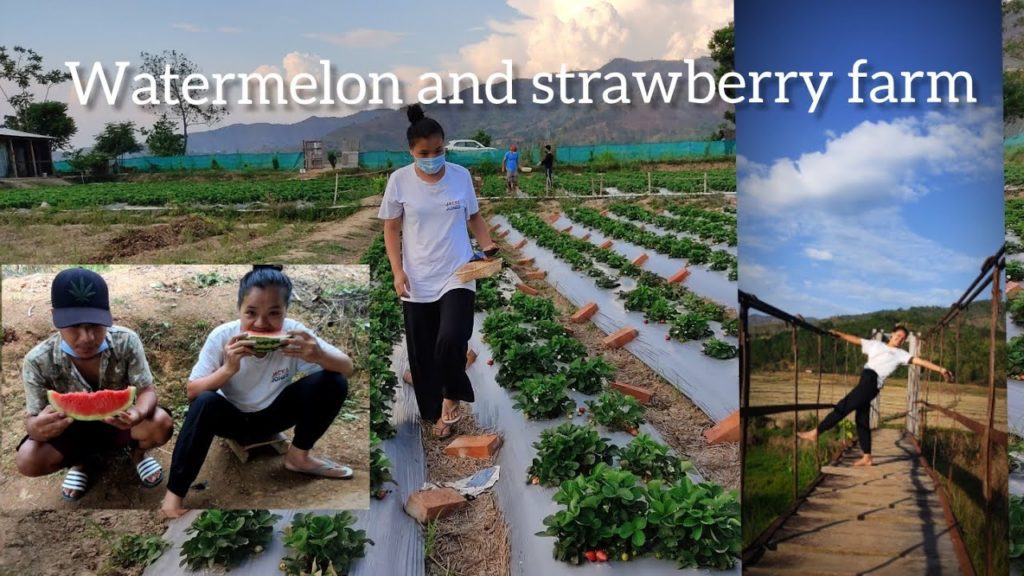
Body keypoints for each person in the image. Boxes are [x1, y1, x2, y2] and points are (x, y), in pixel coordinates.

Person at [160, 266, 355, 518]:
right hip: (232, 419)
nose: (261, 324)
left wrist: (318, 355)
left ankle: (298, 457)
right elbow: (192, 392)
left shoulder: (295, 334)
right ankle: (174, 495)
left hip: (275, 416)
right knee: (205, 401)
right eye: (251, 313)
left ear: (286, 311)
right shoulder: (222, 337)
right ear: (239, 309)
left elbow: (347, 368)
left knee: (334, 382)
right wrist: (228, 369)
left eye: (274, 313)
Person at [379, 104, 498, 438]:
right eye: (424, 153)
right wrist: (397, 271)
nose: (432, 158)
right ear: (411, 152)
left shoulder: (460, 176)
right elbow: (391, 228)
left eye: (438, 151)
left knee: (452, 337)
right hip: (417, 277)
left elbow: (474, 216)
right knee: (423, 352)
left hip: (458, 271)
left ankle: (451, 397)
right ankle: (433, 412)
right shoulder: (399, 181)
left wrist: (488, 246)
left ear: (445, 146)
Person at [15, 267, 174, 501]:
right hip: (71, 431)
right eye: (74, 326)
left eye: (95, 325)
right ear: (55, 318)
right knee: (28, 459)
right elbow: (33, 418)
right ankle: (80, 463)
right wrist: (35, 428)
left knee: (161, 423)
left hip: (120, 423)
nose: (87, 337)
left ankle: (138, 454)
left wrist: (139, 412)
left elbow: (146, 391)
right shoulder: (37, 360)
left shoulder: (126, 341)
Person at [798, 326, 953, 466]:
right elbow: (856, 340)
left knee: (844, 405)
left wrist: (941, 370)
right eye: (898, 335)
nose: (900, 339)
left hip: (871, 382)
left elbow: (921, 361)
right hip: (865, 380)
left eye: (903, 338)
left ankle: (816, 432)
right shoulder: (875, 344)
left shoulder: (901, 354)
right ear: (892, 334)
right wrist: (839, 334)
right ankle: (867, 457)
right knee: (862, 418)